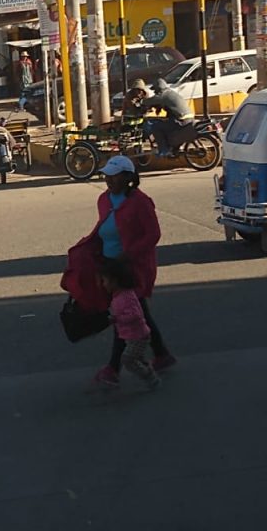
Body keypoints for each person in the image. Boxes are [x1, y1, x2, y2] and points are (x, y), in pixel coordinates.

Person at [76, 155, 176, 389]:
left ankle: (113, 368)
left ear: (128, 178)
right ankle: (162, 354)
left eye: (114, 176)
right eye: (106, 175)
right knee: (139, 310)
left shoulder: (141, 202)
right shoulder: (103, 199)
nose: (108, 179)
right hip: (111, 264)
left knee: (124, 315)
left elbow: (152, 235)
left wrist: (128, 255)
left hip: (132, 268)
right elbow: (104, 226)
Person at [99, 257, 160, 390]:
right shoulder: (117, 296)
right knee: (137, 358)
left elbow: (136, 314)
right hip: (131, 336)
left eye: (105, 281)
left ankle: (149, 377)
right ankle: (150, 373)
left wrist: (117, 318)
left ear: (114, 281)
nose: (103, 284)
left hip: (138, 336)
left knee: (127, 360)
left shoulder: (126, 296)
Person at [129, 78, 194, 158]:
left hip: (181, 120)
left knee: (155, 126)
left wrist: (139, 102)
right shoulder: (171, 93)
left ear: (159, 88)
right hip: (189, 118)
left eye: (155, 90)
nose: (155, 92)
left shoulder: (164, 95)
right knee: (163, 123)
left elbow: (151, 100)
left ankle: (164, 150)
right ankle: (172, 148)